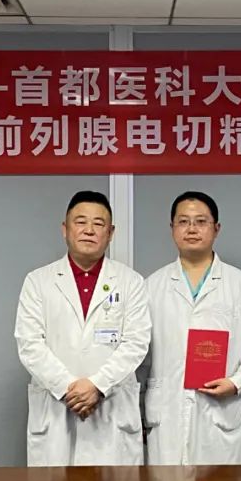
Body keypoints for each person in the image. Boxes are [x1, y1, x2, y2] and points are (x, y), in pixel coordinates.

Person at [14, 190, 151, 466]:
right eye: (80, 222)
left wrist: (97, 386)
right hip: (57, 409)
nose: (89, 230)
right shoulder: (38, 281)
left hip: (111, 410)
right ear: (65, 229)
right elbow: (30, 344)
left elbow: (136, 343)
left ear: (111, 233)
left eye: (98, 224)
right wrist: (69, 389)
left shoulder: (131, 282)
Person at [142, 191, 241, 465]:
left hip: (218, 414)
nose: (191, 229)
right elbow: (138, 355)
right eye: (183, 221)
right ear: (172, 228)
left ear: (216, 228)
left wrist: (237, 381)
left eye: (201, 221)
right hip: (166, 414)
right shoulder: (151, 287)